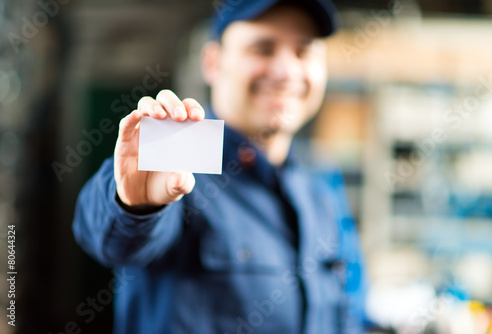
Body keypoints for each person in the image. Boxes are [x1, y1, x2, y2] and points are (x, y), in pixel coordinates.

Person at [73, 0, 368, 333]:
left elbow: (351, 309)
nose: (287, 72)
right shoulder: (176, 168)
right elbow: (109, 237)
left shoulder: (322, 188)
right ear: (213, 63)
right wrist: (135, 206)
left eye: (303, 52)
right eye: (263, 48)